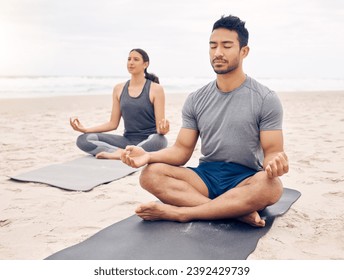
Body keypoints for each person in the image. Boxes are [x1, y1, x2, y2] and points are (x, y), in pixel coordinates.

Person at [120, 15, 289, 227]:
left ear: (244, 51)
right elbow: (181, 150)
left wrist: (275, 163)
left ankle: (182, 213)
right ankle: (233, 212)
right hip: (205, 178)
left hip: (245, 179)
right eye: (213, 46)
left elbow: (273, 150)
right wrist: (147, 156)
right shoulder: (196, 99)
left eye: (226, 46)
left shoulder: (266, 99)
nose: (218, 53)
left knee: (272, 187)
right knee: (150, 174)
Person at [70, 48, 170, 160]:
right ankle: (122, 153)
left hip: (149, 140)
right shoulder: (119, 89)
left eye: (136, 59)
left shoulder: (156, 89)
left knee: (160, 140)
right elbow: (113, 124)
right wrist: (86, 130)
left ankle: (124, 153)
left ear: (145, 64)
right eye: (129, 59)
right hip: (126, 141)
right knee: (83, 140)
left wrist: (163, 130)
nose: (131, 62)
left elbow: (159, 128)